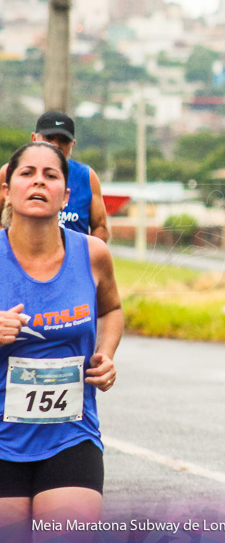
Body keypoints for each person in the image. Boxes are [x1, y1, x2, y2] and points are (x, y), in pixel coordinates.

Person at [0, 142, 123, 539]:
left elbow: (111, 310)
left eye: (50, 175)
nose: (39, 181)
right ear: (7, 189)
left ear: (66, 195)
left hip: (71, 435)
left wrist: (105, 355)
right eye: (27, 173)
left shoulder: (93, 254)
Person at [0, 111, 110, 242]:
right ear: (34, 138)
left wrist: (85, 255)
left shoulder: (86, 176)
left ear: (73, 144)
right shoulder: (10, 172)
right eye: (49, 138)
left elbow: (100, 227)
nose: (56, 145)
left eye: (64, 140)